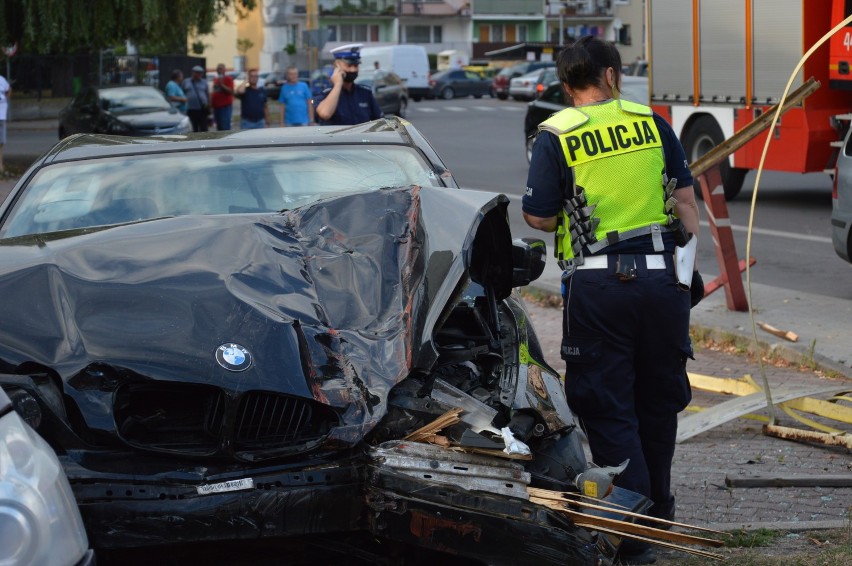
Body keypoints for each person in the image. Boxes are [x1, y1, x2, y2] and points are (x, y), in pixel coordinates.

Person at [522, 36, 702, 565]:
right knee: (659, 401)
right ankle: (660, 515)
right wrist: (680, 267)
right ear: (612, 75)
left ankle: (634, 533)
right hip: (662, 284)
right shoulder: (651, 122)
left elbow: (540, 217)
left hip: (600, 289)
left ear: (566, 83)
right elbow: (687, 206)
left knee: (608, 406)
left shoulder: (555, 134)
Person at [314, 44, 382, 126]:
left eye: (356, 65)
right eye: (349, 65)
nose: (353, 69)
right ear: (336, 66)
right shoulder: (325, 93)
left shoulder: (365, 93)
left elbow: (379, 122)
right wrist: (338, 84)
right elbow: (325, 114)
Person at [182, 65, 210, 132]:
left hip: (202, 109)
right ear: (193, 72)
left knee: (204, 128)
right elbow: (182, 93)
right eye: (197, 72)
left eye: (201, 73)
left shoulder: (204, 82)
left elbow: (207, 94)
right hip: (191, 109)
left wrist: (209, 105)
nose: (199, 74)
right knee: (194, 128)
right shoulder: (186, 81)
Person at [211, 63, 235, 131]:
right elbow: (215, 92)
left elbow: (231, 91)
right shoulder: (216, 79)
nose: (219, 70)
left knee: (225, 127)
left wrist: (221, 84)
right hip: (216, 107)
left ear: (225, 70)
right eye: (218, 69)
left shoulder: (228, 79)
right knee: (219, 127)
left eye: (221, 68)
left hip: (225, 107)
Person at [0, 73, 9, 177]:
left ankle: (0, 165)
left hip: (1, 116)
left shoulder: (1, 79)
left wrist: (6, 101)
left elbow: (8, 90)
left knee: (1, 142)